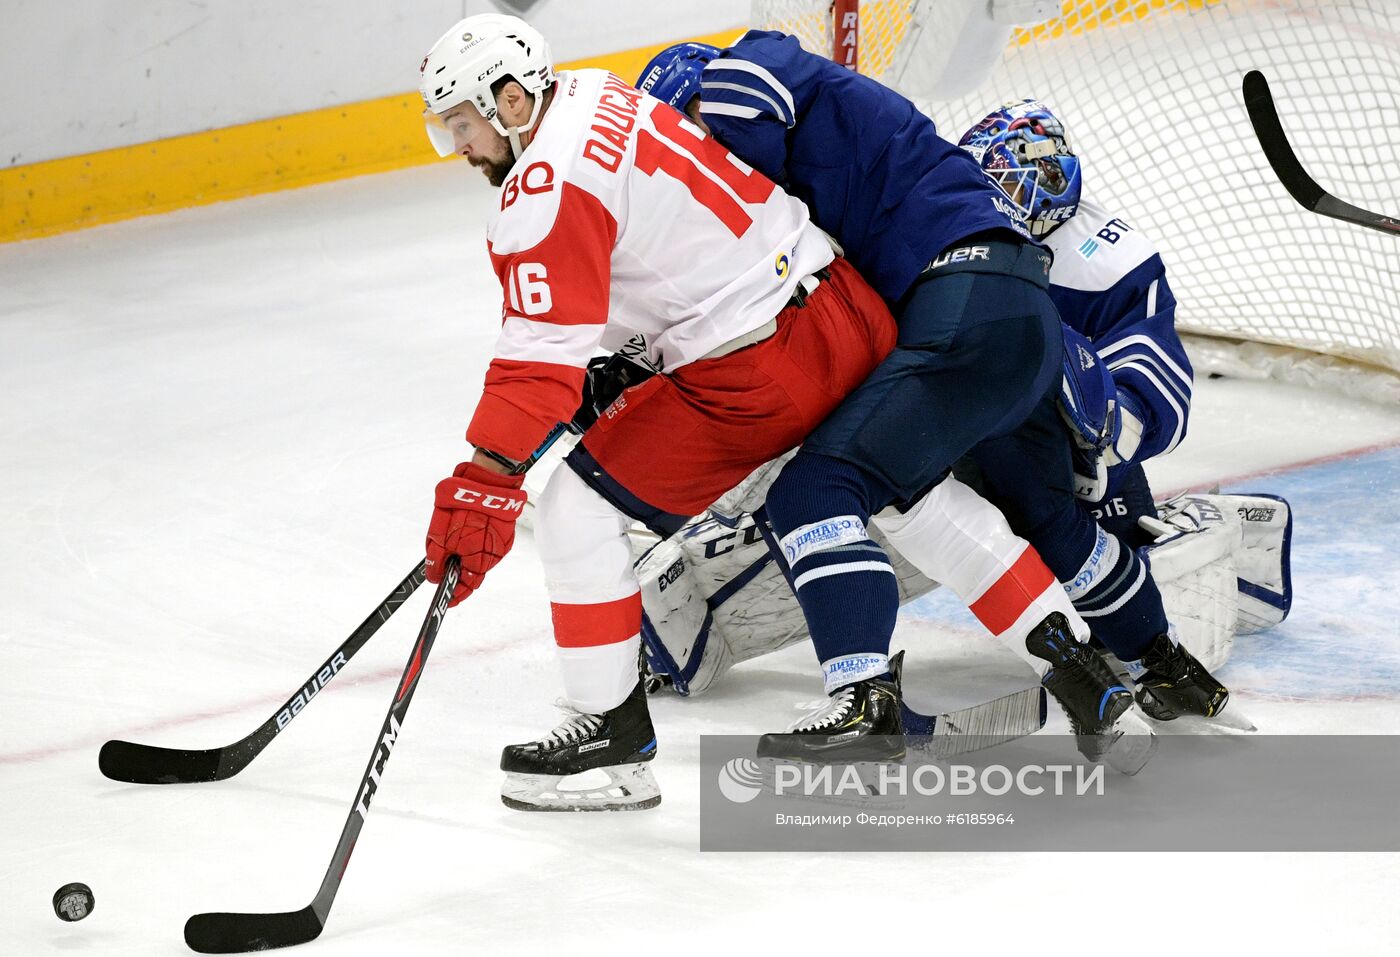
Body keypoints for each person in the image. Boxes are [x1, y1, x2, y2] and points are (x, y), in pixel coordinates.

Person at [415, 15, 898, 810]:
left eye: (462, 124)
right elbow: (665, 249)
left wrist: (487, 478)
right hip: (840, 304)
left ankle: (610, 739)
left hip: (758, 369)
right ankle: (1079, 645)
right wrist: (637, 357)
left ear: (509, 101)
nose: (458, 146)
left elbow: (537, 368)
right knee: (921, 498)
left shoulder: (543, 191)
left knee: (573, 502)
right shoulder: (594, 94)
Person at [637, 35, 1155, 772]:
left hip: (964, 308)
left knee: (813, 494)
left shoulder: (757, 127)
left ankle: (861, 695)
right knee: (915, 503)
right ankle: (1086, 681)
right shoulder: (813, 138)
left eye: (683, 131)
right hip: (1000, 313)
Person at [954, 99, 1235, 720]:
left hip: (1067, 459)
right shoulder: (949, 224)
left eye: (999, 187)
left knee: (1109, 611)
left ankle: (1171, 594)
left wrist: (1105, 423)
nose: (985, 202)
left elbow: (1160, 392)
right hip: (963, 433)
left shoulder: (1109, 259)